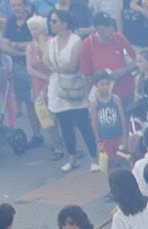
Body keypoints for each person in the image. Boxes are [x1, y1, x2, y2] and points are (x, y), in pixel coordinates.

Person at [39, 8, 93, 171]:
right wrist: (53, 67)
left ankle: (93, 157)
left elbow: (73, 65)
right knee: (65, 124)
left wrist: (55, 68)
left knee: (83, 123)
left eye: (54, 21)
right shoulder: (51, 42)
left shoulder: (76, 40)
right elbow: (46, 65)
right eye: (50, 21)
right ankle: (72, 156)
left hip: (74, 87)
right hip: (58, 88)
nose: (51, 24)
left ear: (64, 23)